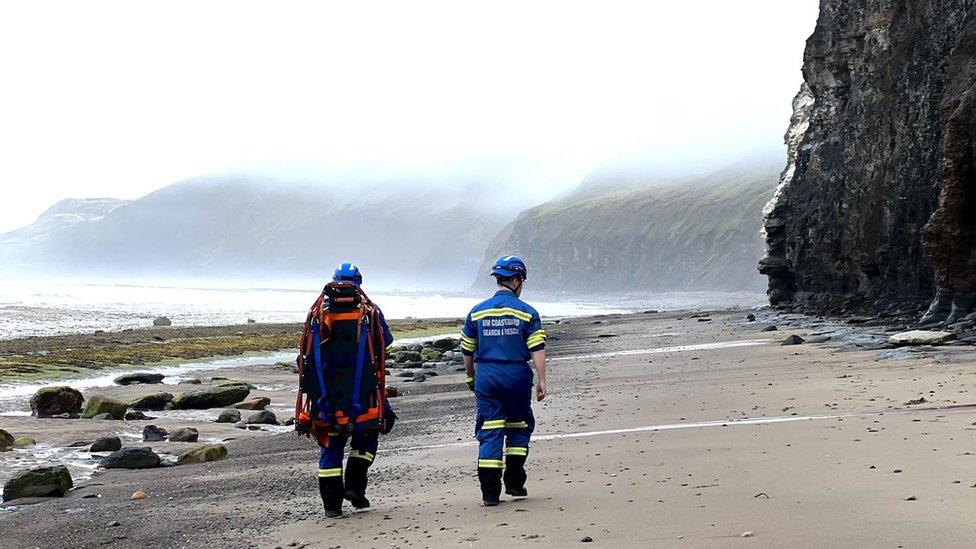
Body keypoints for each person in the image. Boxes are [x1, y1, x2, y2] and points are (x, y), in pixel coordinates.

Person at [308, 263, 397, 517]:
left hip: (327, 393)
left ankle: (331, 507)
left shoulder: (318, 311)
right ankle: (356, 487)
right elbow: (385, 344)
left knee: (331, 444)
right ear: (359, 282)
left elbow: (307, 351)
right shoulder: (370, 311)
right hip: (364, 390)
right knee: (369, 434)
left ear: (334, 280)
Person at [460, 254, 548, 506]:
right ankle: (515, 483)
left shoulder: (476, 312)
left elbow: (467, 350)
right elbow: (537, 348)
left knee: (490, 430)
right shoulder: (527, 313)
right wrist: (542, 380)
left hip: (487, 376)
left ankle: (489, 494)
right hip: (517, 375)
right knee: (519, 427)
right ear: (517, 279)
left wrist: (470, 376)